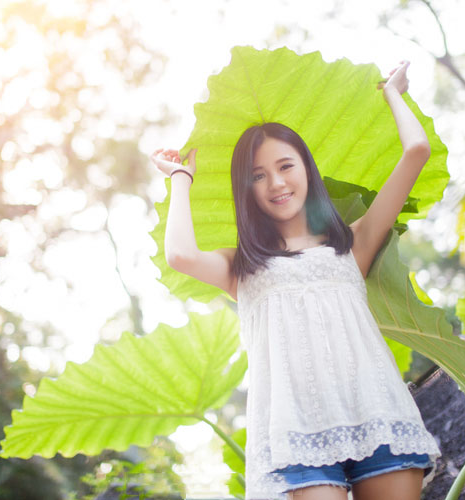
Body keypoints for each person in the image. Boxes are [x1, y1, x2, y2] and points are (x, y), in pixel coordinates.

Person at [150, 61, 441, 500]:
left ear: (306, 167)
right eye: (258, 176)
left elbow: (416, 150)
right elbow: (181, 255)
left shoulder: (354, 243)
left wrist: (393, 94)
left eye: (286, 166)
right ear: (244, 189)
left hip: (378, 415)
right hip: (297, 438)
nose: (276, 183)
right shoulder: (242, 265)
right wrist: (180, 178)